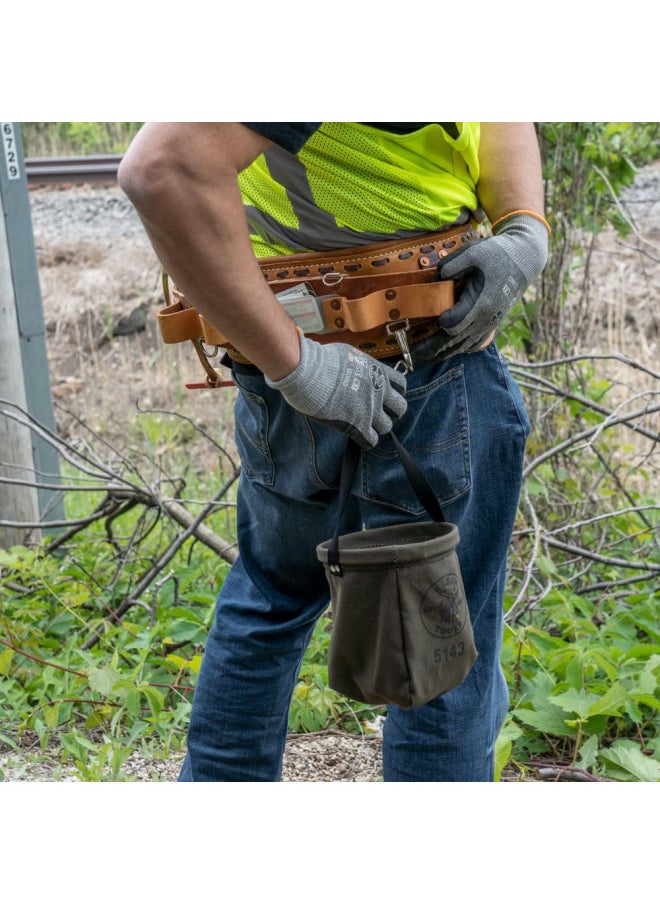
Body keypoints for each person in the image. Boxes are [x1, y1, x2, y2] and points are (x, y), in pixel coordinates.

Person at [118, 122, 548, 782]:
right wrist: (301, 370)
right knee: (437, 641)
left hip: (304, 352)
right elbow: (163, 167)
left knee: (272, 598)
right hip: (413, 366)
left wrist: (524, 228)